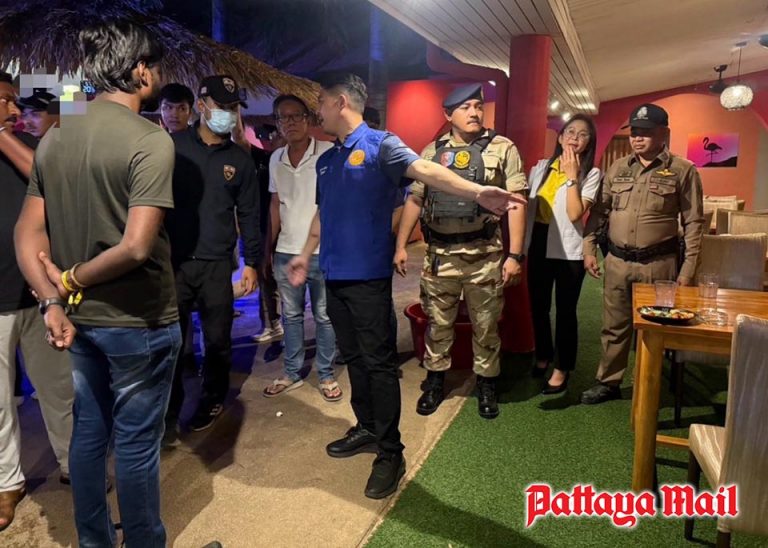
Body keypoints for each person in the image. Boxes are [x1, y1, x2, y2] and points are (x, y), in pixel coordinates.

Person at [286, 73, 524, 499]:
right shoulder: (328, 160)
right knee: (353, 359)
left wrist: (477, 192)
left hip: (367, 279)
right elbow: (324, 213)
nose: (316, 110)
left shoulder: (380, 144)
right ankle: (367, 427)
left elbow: (426, 170)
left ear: (341, 102)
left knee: (378, 365)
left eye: (320, 102)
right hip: (332, 276)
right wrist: (306, 253)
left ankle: (390, 452)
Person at [14, 20, 180, 546]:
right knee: (135, 443)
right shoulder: (150, 139)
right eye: (157, 67)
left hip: (80, 319)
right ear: (140, 70)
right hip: (140, 319)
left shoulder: (56, 135)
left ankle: (95, 541)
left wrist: (51, 301)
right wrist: (66, 280)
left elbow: (27, 232)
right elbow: (136, 246)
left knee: (88, 431)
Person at [394, 84, 528, 420]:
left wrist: (515, 256)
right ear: (448, 114)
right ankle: (435, 379)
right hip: (440, 255)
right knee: (438, 323)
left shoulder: (502, 148)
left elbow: (516, 203)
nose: (474, 113)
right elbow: (416, 198)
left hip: (485, 254)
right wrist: (400, 245)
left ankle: (487, 382)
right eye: (466, 107)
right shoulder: (431, 152)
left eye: (478, 106)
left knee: (486, 324)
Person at [581, 103, 704, 404]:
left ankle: (649, 384)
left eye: (645, 132)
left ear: (664, 134)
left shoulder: (683, 170)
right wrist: (589, 247)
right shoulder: (618, 168)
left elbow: (693, 222)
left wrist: (688, 270)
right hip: (618, 262)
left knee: (655, 328)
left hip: (659, 265)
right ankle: (608, 382)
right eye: (635, 131)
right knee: (613, 327)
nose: (637, 137)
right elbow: (599, 212)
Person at [164, 75, 260, 433]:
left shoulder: (240, 160)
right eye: (222, 105)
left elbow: (249, 214)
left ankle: (212, 398)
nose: (228, 113)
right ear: (202, 105)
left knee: (218, 340)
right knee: (172, 341)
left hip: (217, 264)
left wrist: (251, 262)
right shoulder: (171, 147)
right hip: (174, 262)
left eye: (233, 107)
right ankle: (169, 408)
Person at [0, 72, 73, 532]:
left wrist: (3, 136)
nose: (15, 110)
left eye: (16, 102)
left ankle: (72, 461)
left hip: (37, 293)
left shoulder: (30, 146)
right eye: (6, 102)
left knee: (59, 389)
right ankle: (7, 482)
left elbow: (45, 177)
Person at [262, 94, 339, 400]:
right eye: (283, 117)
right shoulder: (275, 159)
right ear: (277, 123)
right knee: (291, 316)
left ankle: (326, 373)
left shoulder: (328, 153)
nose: (290, 122)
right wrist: (268, 248)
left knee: (324, 316)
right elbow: (275, 204)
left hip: (323, 252)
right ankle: (292, 372)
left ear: (308, 119)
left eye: (296, 116)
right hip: (286, 251)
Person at [525, 114, 601, 394]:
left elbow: (574, 213)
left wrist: (571, 177)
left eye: (583, 134)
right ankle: (544, 354)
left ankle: (562, 367)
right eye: (570, 131)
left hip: (569, 249)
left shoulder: (592, 174)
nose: (575, 138)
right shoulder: (541, 168)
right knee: (539, 306)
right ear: (560, 137)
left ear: (589, 143)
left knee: (566, 311)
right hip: (538, 242)